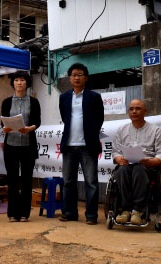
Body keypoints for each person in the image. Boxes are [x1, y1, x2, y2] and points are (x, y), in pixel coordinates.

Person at [58, 63, 104, 225]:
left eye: (80, 74)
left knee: (91, 182)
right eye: (74, 75)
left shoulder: (94, 97)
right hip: (69, 145)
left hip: (88, 146)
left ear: (86, 78)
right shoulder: (63, 97)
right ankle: (70, 213)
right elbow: (65, 118)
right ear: (70, 78)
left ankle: (91, 215)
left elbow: (99, 119)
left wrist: (90, 134)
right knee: (68, 182)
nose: (77, 77)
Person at [112, 99, 161, 225]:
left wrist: (152, 161)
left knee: (139, 169)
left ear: (145, 112)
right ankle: (125, 210)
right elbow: (115, 151)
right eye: (131, 109)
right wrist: (118, 158)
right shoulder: (122, 130)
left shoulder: (155, 130)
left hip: (147, 166)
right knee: (121, 171)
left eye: (138, 109)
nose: (134, 111)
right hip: (127, 164)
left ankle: (137, 211)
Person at [1, 70, 41, 222]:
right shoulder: (6, 102)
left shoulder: (34, 101)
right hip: (11, 144)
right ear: (13, 83)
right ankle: (12, 213)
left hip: (27, 145)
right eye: (16, 80)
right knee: (12, 180)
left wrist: (29, 129)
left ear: (27, 83)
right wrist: (5, 128)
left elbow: (37, 121)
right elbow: (2, 122)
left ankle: (24, 213)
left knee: (26, 179)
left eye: (22, 80)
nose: (19, 83)